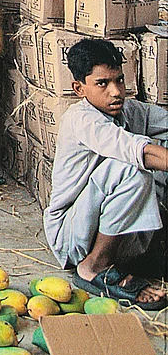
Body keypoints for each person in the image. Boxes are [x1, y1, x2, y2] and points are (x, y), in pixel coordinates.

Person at [44, 37, 168, 309]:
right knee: (134, 168)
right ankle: (94, 266)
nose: (116, 92)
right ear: (79, 88)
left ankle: (150, 248)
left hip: (100, 222)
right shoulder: (82, 119)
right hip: (72, 232)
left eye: (119, 81)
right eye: (103, 83)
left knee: (162, 145)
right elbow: (140, 152)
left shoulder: (128, 111)